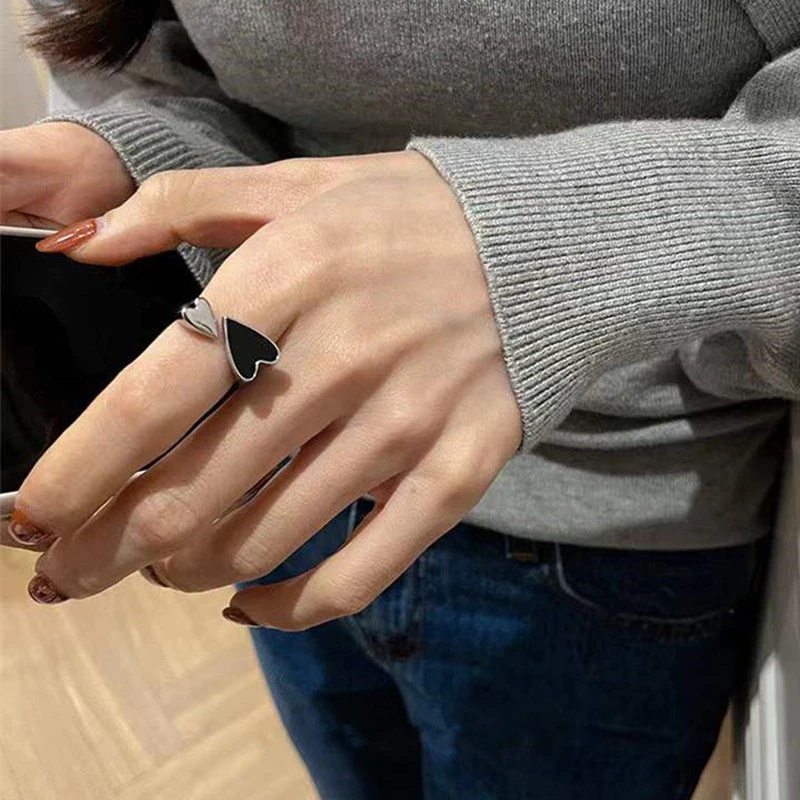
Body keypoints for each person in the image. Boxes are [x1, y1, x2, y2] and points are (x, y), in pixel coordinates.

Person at [2, 1, 798, 797]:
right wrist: (136, 153)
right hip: (275, 463)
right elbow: (150, 55)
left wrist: (551, 245)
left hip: (608, 535)